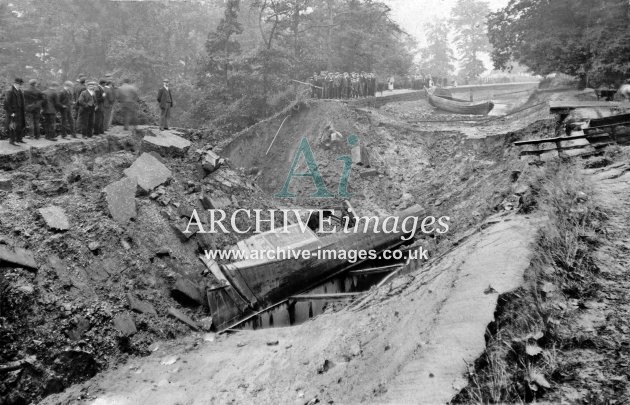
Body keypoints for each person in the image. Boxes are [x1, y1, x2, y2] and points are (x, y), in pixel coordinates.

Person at [3, 77, 26, 145]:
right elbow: (6, 104)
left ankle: (19, 139)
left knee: (20, 125)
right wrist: (11, 113)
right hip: (12, 112)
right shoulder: (10, 91)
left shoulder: (19, 91)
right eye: (19, 84)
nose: (20, 85)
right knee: (12, 126)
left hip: (19, 112)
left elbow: (22, 102)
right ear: (15, 83)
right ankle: (12, 141)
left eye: (20, 84)